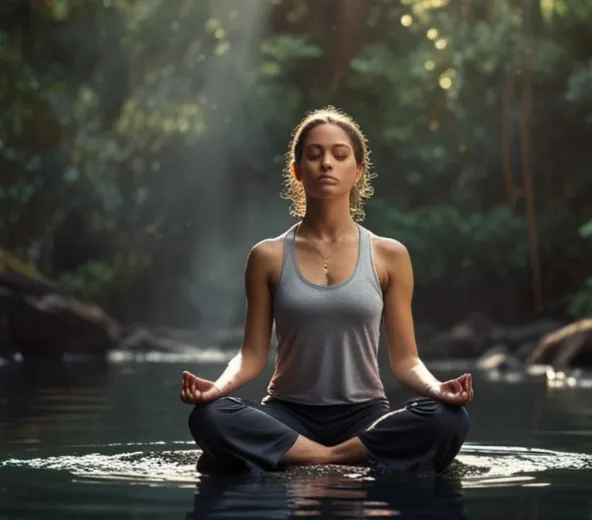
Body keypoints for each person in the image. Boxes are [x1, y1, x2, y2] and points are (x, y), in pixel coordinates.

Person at [180, 106, 473, 476]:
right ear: (297, 170)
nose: (326, 165)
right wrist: (215, 389)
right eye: (314, 155)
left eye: (339, 155)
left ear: (358, 170)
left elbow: (406, 360)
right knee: (210, 417)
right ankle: (345, 457)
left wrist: (438, 389)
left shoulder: (390, 255)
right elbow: (251, 356)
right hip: (287, 414)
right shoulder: (267, 256)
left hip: (366, 415)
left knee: (449, 419)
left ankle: (307, 456)